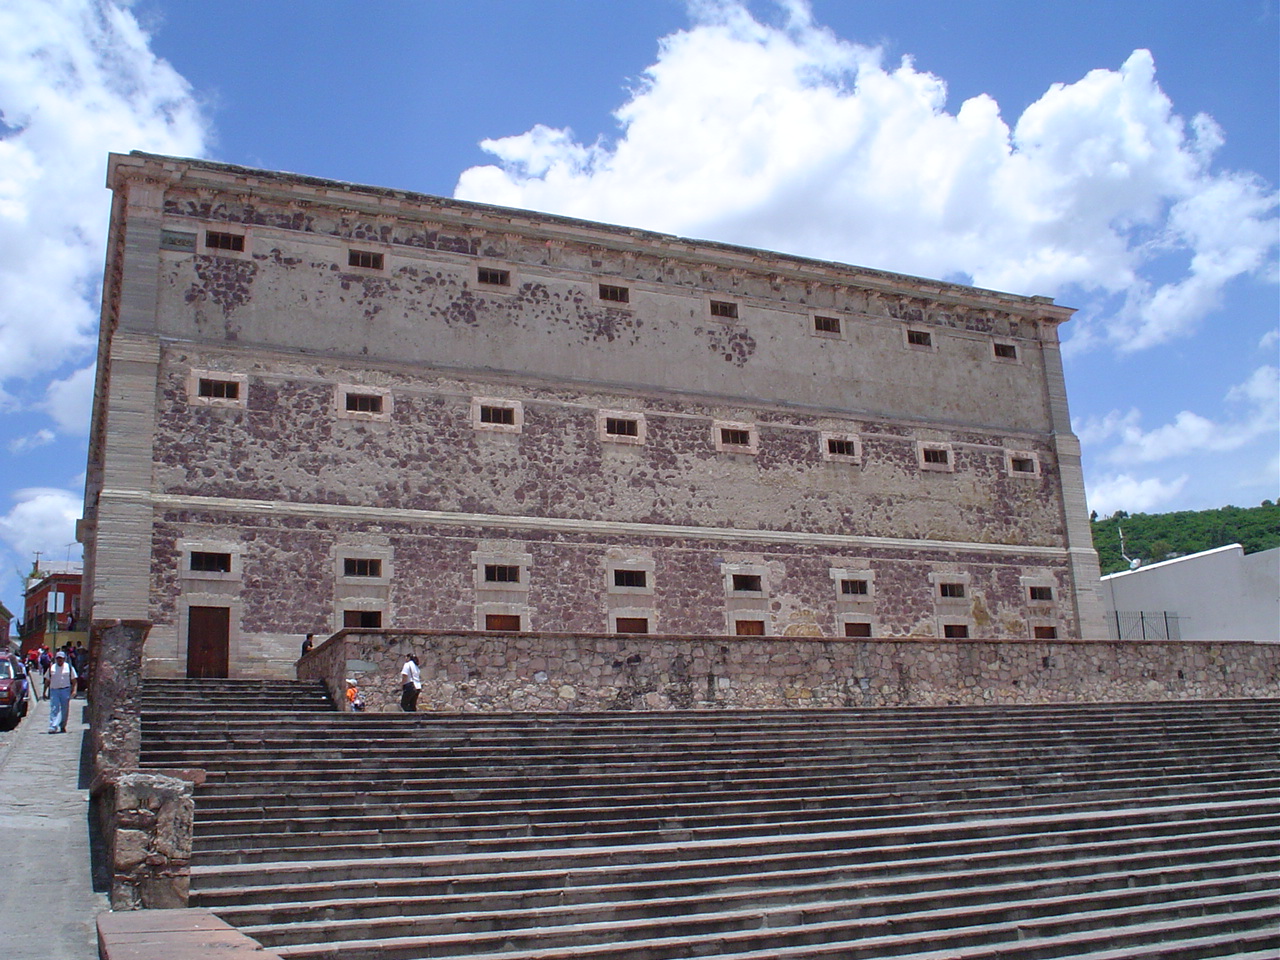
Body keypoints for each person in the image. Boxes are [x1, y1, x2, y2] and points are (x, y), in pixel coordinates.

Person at [47, 650, 77, 734]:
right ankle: (53, 726)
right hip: (54, 690)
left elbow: (74, 680)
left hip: (65, 690)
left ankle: (62, 725)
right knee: (54, 708)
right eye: (58, 658)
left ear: (64, 659)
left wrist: (74, 691)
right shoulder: (51, 668)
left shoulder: (69, 668)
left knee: (65, 709)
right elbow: (47, 680)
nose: (59, 660)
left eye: (61, 658)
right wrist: (44, 692)